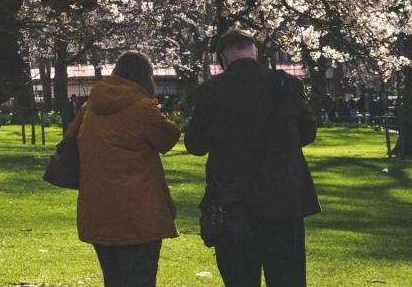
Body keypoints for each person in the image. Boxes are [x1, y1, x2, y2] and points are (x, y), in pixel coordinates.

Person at [185, 30, 319, 287]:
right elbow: (307, 133)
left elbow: (195, 145)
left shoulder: (212, 91)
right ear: (255, 51)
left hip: (232, 201)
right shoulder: (286, 85)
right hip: (283, 200)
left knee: (240, 278)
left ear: (222, 57)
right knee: (287, 277)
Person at [65, 51, 179, 286]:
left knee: (113, 279)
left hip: (99, 209)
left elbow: (70, 140)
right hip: (139, 212)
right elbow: (169, 137)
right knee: (140, 278)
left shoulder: (90, 107)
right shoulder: (143, 108)